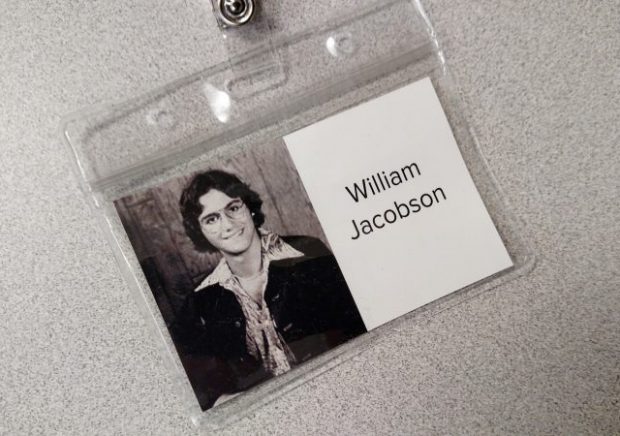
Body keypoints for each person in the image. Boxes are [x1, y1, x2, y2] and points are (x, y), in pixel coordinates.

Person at [175, 169, 367, 410]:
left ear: (249, 207)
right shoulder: (201, 301)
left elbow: (359, 329)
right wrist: (220, 400)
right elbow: (200, 389)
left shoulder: (308, 253)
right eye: (211, 219)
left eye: (233, 208)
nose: (228, 225)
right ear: (200, 231)